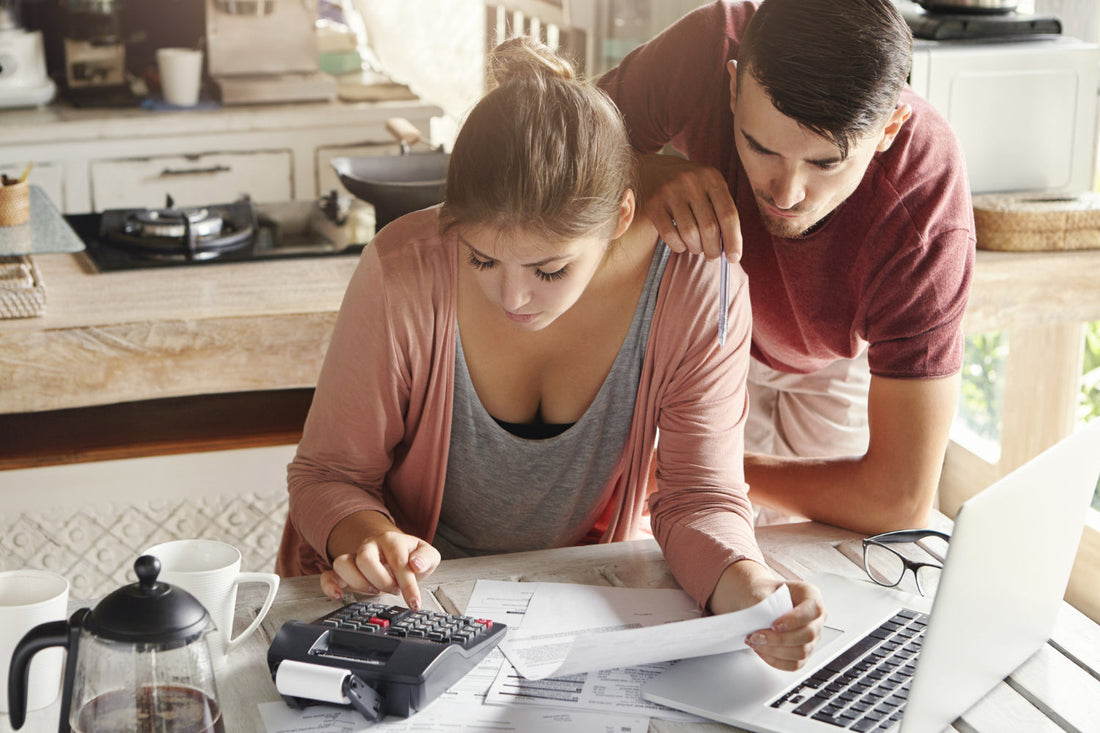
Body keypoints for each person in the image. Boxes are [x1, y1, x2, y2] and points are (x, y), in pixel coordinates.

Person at [277, 37, 825, 671]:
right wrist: (375, 542)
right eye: (482, 258)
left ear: (620, 216)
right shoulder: (405, 269)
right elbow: (327, 477)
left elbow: (698, 496)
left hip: (569, 609)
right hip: (397, 612)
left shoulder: (698, 286)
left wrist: (750, 590)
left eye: (550, 268)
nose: (513, 297)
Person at [597, 0, 975, 533]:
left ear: (890, 129)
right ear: (732, 89)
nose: (786, 193)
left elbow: (897, 500)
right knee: (655, 543)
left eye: (826, 162)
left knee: (820, 559)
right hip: (693, 327)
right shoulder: (709, 46)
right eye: (760, 146)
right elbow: (546, 144)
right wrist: (638, 172)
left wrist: (705, 474)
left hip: (830, 360)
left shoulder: (924, 203)